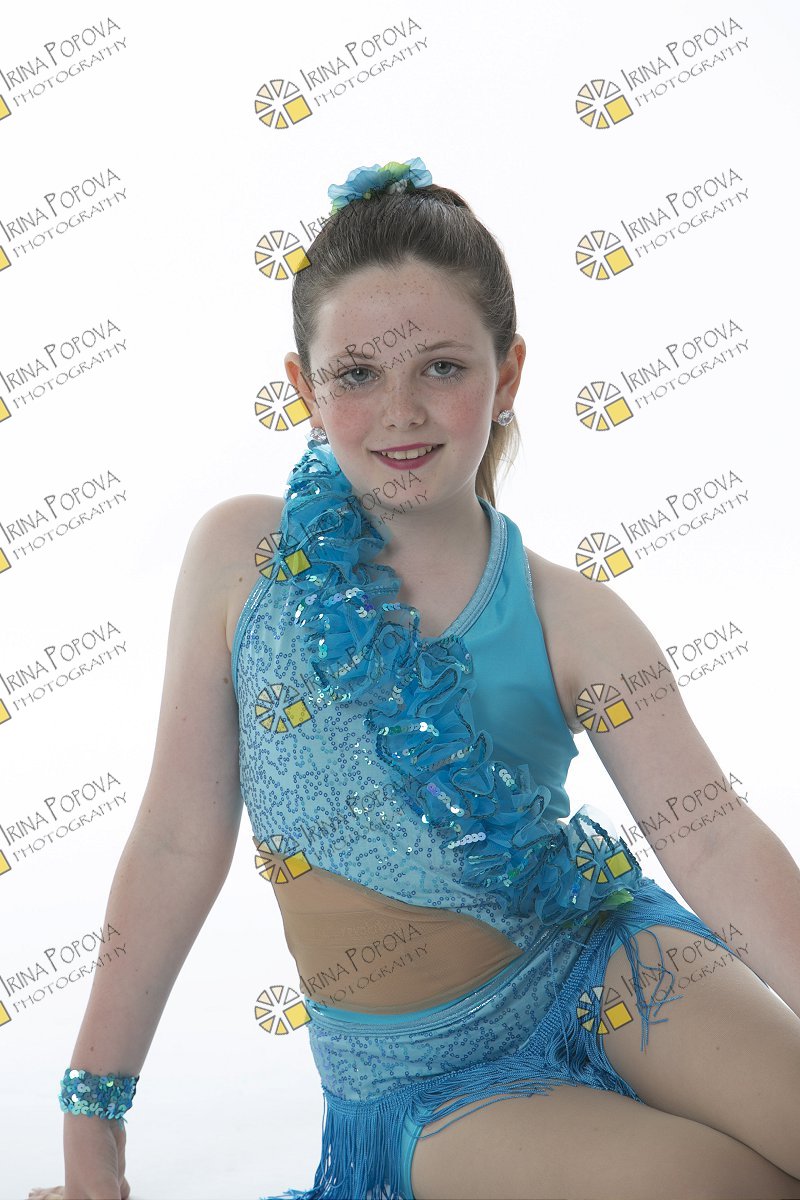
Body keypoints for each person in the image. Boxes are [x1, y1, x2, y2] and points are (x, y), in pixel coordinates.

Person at [30, 158, 800, 1200]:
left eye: (441, 367)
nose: (400, 411)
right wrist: (94, 1118)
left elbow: (711, 837)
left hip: (601, 956)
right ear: (303, 387)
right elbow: (176, 837)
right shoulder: (241, 562)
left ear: (507, 375)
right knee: (721, 1187)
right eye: (356, 374)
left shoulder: (575, 618)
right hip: (420, 1078)